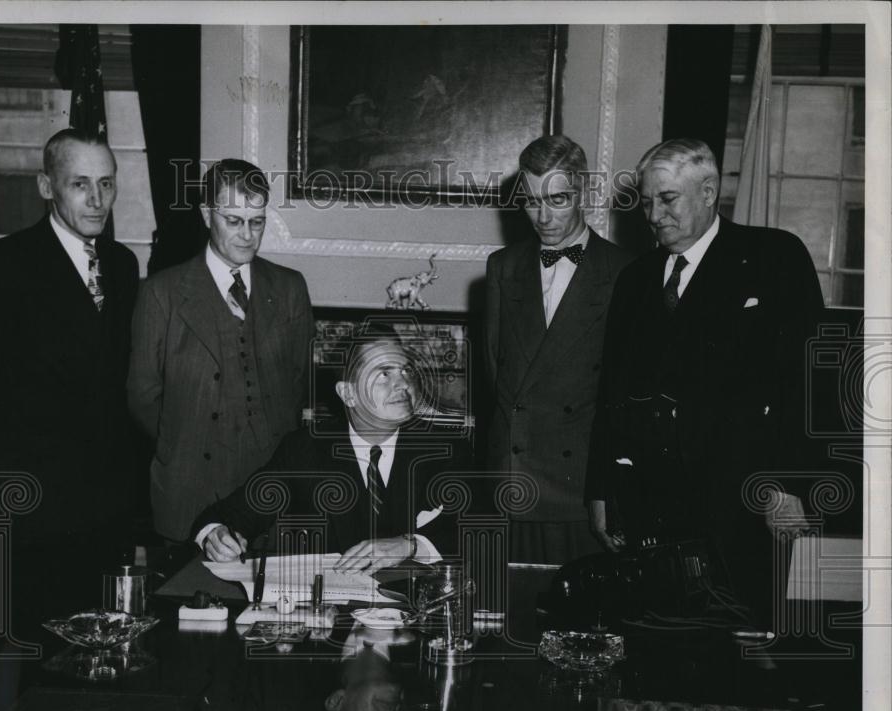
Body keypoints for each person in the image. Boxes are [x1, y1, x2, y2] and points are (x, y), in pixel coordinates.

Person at [0, 128, 140, 711]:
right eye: (81, 183)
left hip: (99, 516)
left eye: (107, 182)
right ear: (47, 186)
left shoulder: (126, 265)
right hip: (23, 518)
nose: (97, 198)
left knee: (86, 688)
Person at [585, 138, 824, 626]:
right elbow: (612, 396)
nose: (653, 214)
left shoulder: (772, 257)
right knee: (655, 655)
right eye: (646, 201)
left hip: (743, 507)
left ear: (709, 191)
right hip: (653, 511)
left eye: (667, 199)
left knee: (742, 658)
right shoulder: (635, 280)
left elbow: (808, 380)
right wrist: (602, 489)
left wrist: (789, 485)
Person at [127, 159, 315, 545]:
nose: (247, 235)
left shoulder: (290, 288)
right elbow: (143, 396)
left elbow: (300, 381)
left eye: (257, 221)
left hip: (270, 496)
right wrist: (187, 440)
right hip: (189, 496)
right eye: (233, 220)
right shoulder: (161, 293)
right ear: (206, 214)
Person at [193, 326, 472, 572]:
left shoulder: (447, 448)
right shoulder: (305, 449)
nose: (403, 384)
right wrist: (216, 535)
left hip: (415, 611)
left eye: (405, 370)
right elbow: (228, 515)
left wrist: (409, 545)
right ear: (348, 393)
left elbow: (475, 528)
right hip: (328, 612)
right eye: (384, 374)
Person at [484, 135, 634, 565]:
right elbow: (497, 375)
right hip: (513, 484)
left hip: (584, 492)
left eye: (558, 199)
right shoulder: (502, 267)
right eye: (532, 201)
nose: (544, 216)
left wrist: (606, 492)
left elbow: (622, 398)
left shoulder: (625, 271)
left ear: (583, 193)